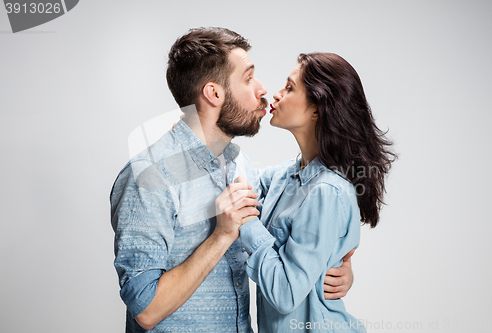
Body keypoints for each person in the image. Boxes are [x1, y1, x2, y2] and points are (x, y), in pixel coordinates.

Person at [110, 28, 354, 332]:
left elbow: (305, 199)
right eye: (249, 78)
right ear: (214, 94)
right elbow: (146, 309)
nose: (263, 90)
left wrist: (333, 262)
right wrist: (220, 236)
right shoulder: (150, 177)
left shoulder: (240, 165)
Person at [235, 53, 396, 332]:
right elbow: (238, 177)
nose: (276, 94)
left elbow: (285, 294)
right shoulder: (286, 175)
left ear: (316, 110)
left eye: (289, 87)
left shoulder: (327, 192)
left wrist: (246, 221)